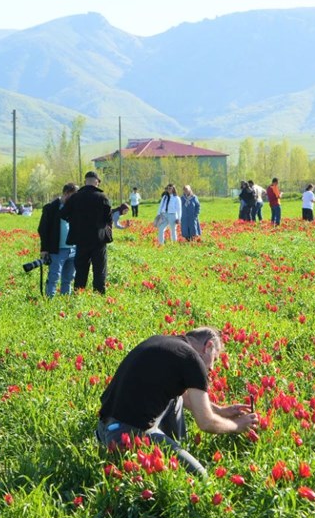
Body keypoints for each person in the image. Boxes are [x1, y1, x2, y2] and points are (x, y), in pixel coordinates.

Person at [96, 328, 259, 475]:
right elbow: (206, 423)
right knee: (200, 476)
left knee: (176, 398)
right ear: (208, 346)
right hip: (128, 437)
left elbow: (183, 396)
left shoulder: (162, 342)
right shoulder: (192, 359)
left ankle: (178, 451)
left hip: (104, 428)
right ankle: (174, 461)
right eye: (214, 359)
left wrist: (220, 411)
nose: (211, 368)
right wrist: (238, 425)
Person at [60, 171, 112, 294]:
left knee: (81, 270)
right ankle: (99, 294)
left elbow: (63, 214)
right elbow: (108, 219)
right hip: (98, 240)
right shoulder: (102, 197)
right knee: (99, 269)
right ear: (96, 182)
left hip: (81, 239)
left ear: (85, 181)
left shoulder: (75, 197)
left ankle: (79, 293)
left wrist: (74, 221)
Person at [38, 183, 77, 297]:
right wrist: (44, 249)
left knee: (68, 278)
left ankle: (65, 300)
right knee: (54, 276)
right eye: (73, 196)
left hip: (73, 249)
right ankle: (49, 300)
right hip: (57, 249)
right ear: (66, 194)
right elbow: (43, 229)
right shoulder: (51, 208)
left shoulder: (75, 208)